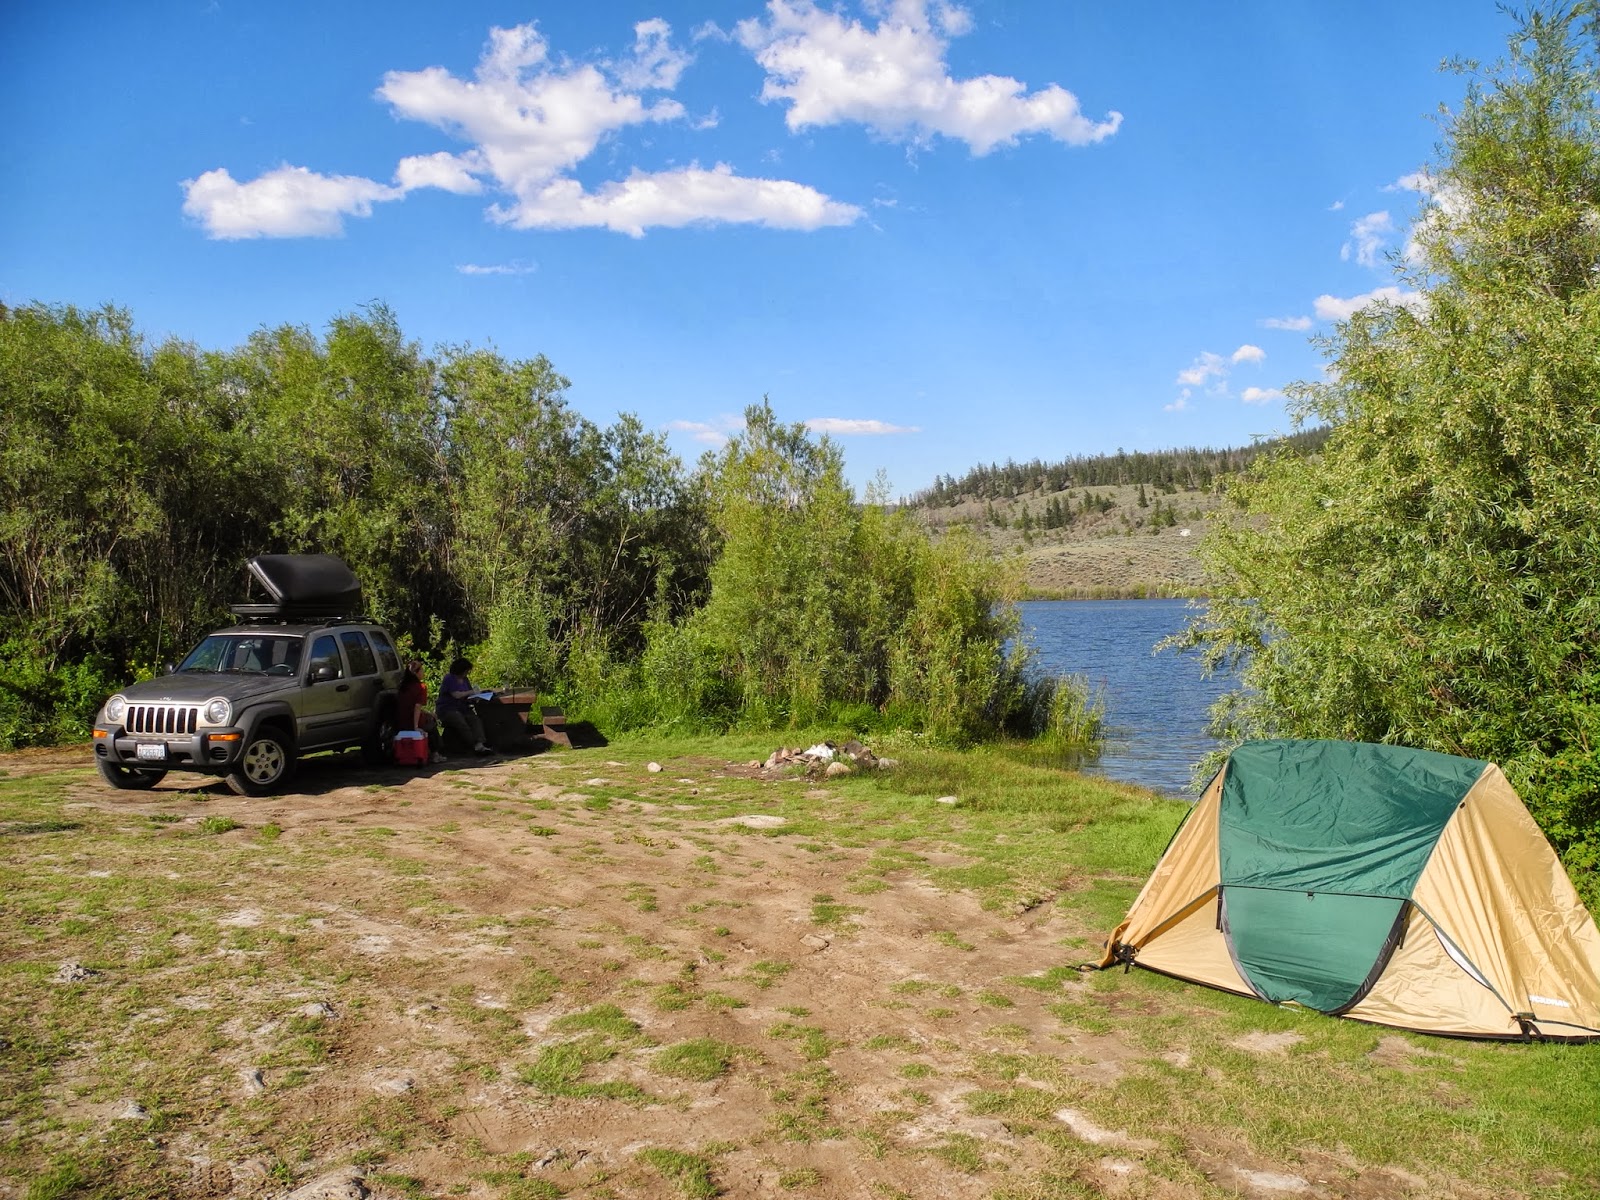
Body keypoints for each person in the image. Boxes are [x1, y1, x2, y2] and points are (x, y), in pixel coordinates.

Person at [437, 656, 493, 756]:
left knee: (475, 719)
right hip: (447, 709)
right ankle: (473, 744)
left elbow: (469, 694)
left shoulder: (465, 680)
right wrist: (471, 692)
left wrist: (477, 695)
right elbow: (456, 695)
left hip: (462, 708)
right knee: (460, 722)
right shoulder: (449, 678)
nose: (467, 673)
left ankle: (480, 743)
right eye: (466, 671)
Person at [396, 659, 446, 764]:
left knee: (429, 717)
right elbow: (417, 707)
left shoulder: (402, 687)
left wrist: (427, 713)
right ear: (416, 673)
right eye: (421, 670)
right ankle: (435, 753)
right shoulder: (421, 687)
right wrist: (415, 727)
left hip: (401, 719)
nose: (423, 672)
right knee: (431, 724)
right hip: (413, 721)